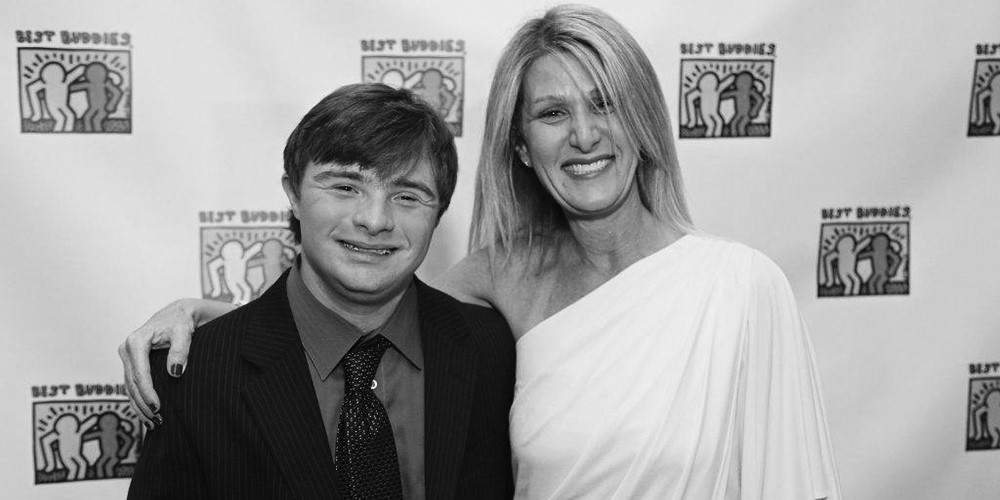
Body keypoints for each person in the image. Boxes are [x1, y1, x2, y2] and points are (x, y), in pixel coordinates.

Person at [121, 5, 841, 499]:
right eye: (553, 113)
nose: (583, 136)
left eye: (606, 103)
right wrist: (214, 324)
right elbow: (346, 312)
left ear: (647, 120)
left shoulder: (741, 287)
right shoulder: (498, 286)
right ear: (522, 147)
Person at [125, 84, 515, 499]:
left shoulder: (491, 349)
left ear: (438, 213)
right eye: (346, 187)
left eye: (407, 195)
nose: (374, 219)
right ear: (293, 193)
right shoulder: (196, 373)